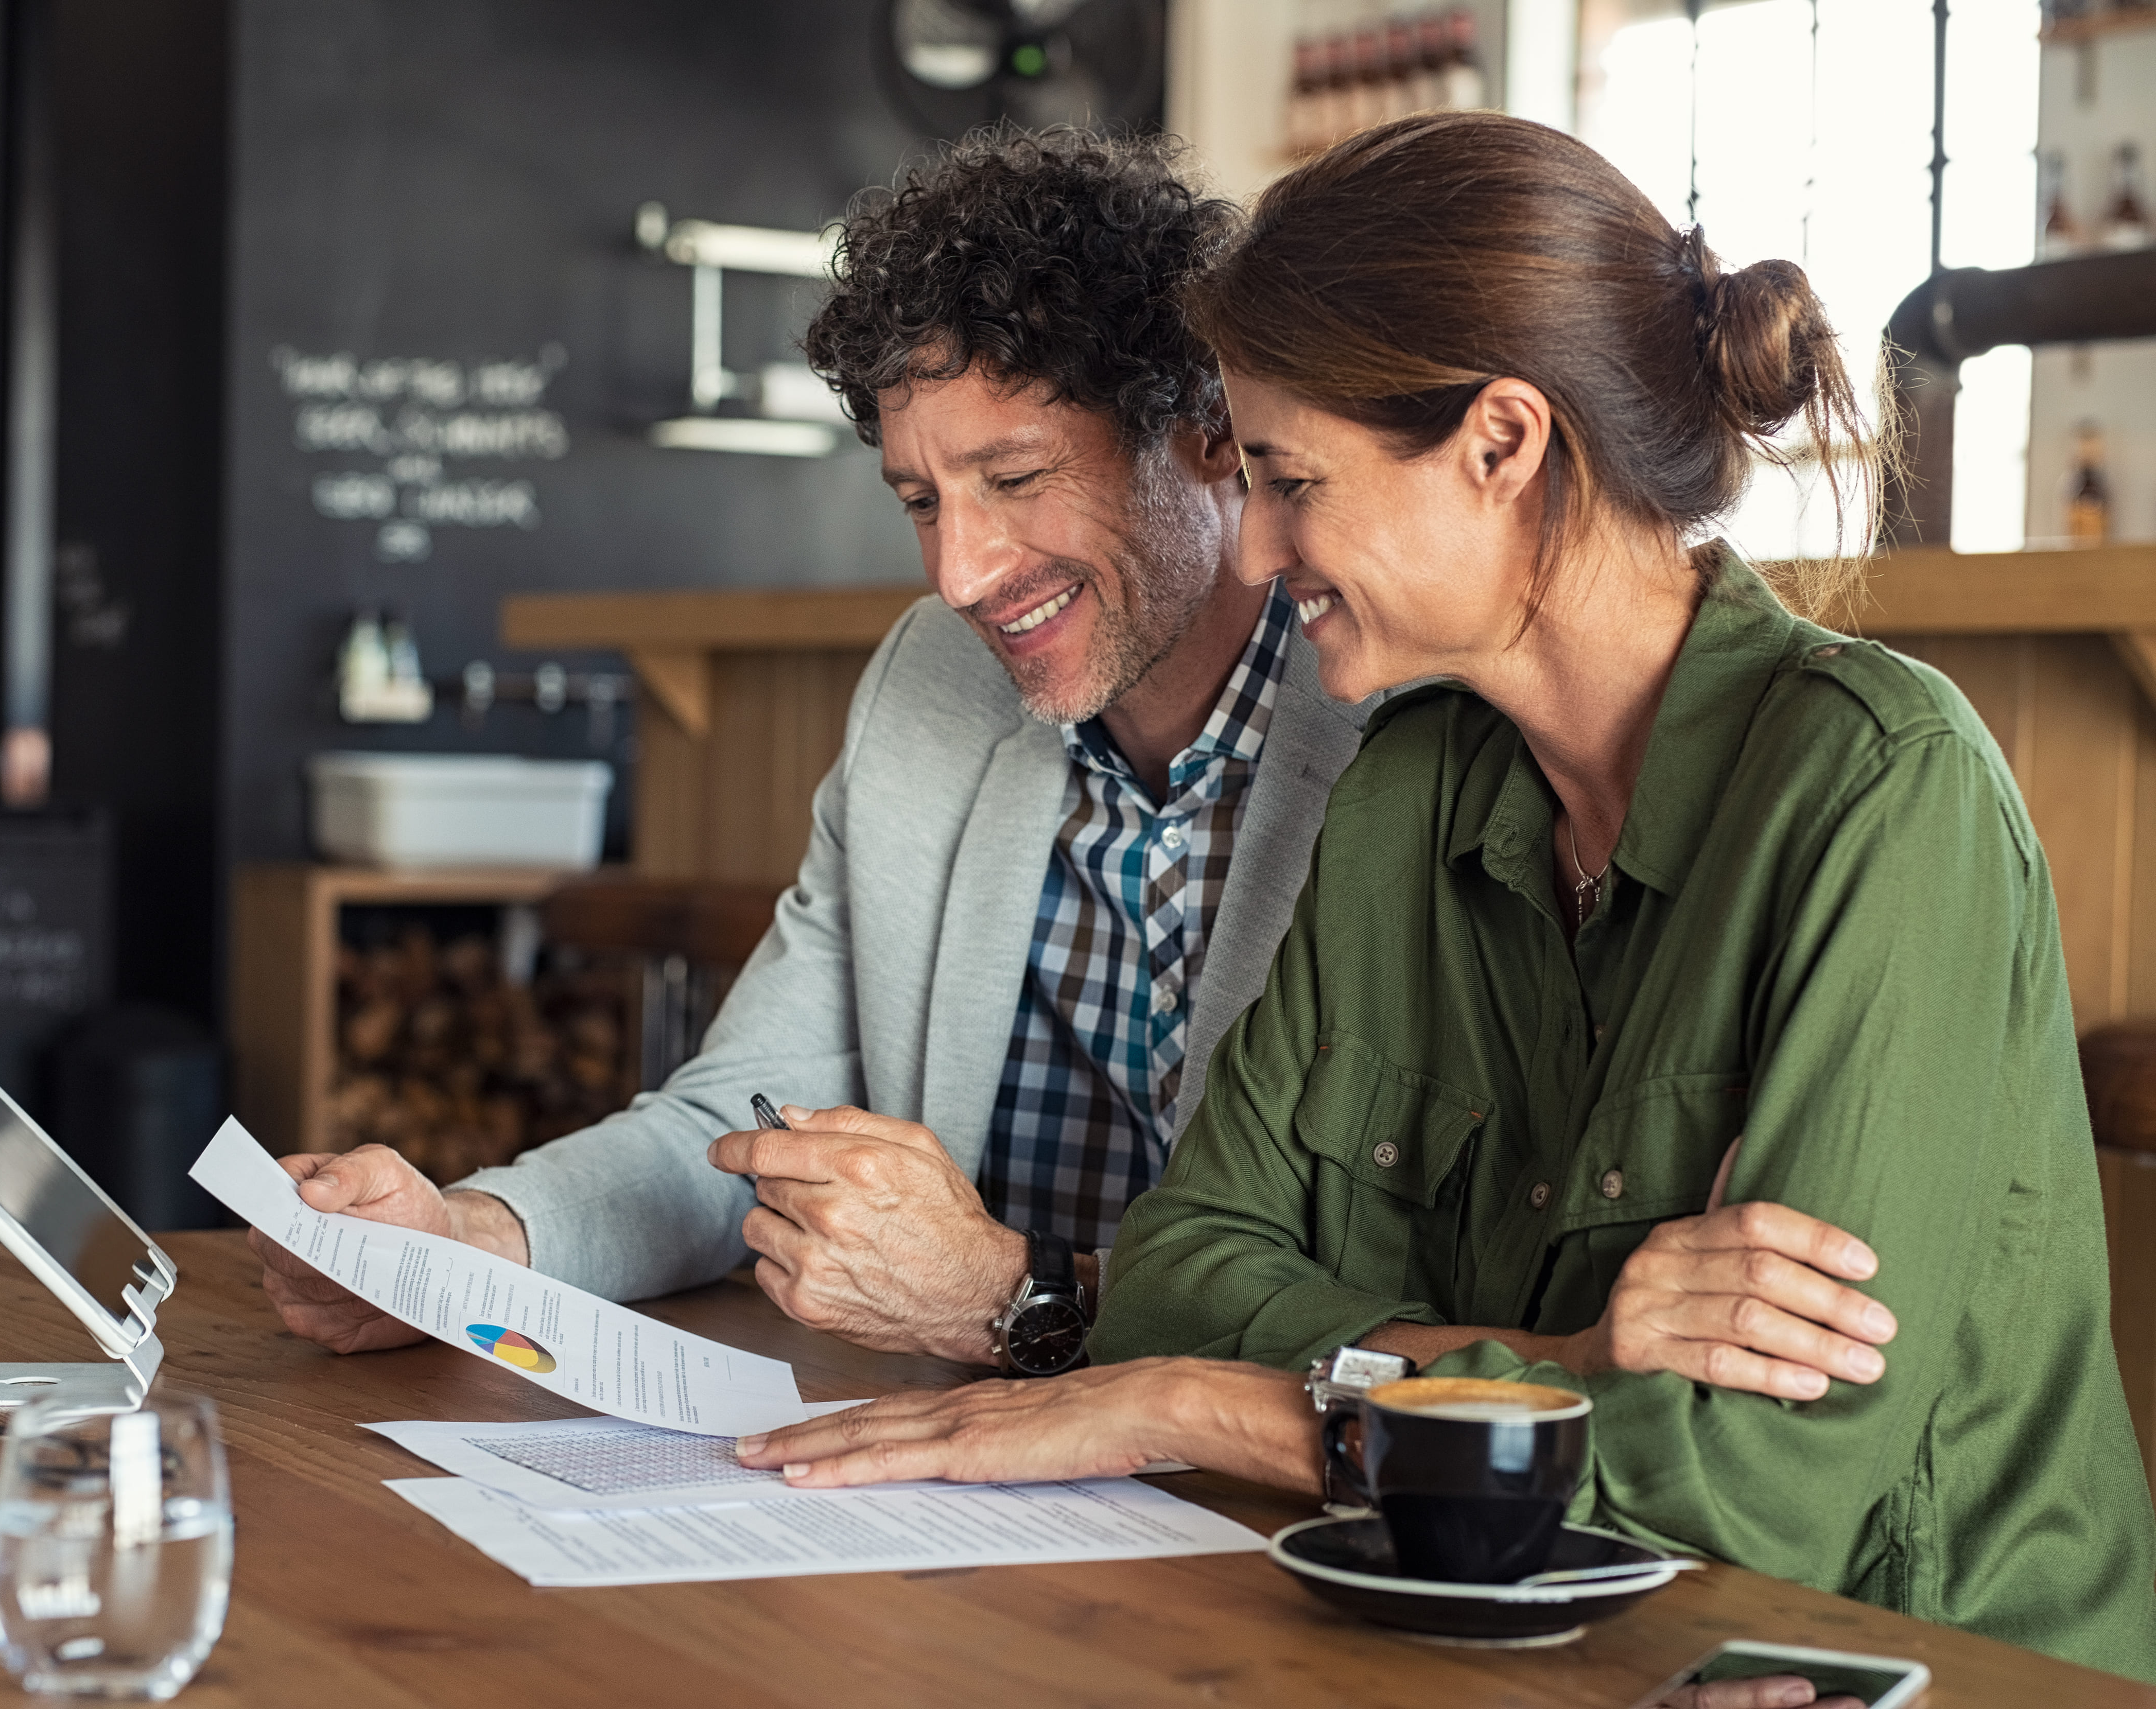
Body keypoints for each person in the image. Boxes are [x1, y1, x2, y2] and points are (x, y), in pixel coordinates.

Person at [733, 112, 2156, 1680]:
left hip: (1889, 1664)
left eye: (1288, 481)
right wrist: (1561, 1362)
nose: (1258, 553)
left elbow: (1750, 1487)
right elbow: (1185, 1271)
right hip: (1476, 1638)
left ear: (1501, 444)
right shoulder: (1408, 787)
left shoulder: (1884, 792)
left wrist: (1214, 1405)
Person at [251, 128, 1379, 1367]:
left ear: (1208, 433)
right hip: (975, 1463)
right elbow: (738, 1126)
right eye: (920, 500)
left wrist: (1021, 1292)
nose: (960, 574)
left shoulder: (1400, 730)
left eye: (1014, 477)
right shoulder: (927, 685)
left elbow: (1400, 1288)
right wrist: (468, 1237)